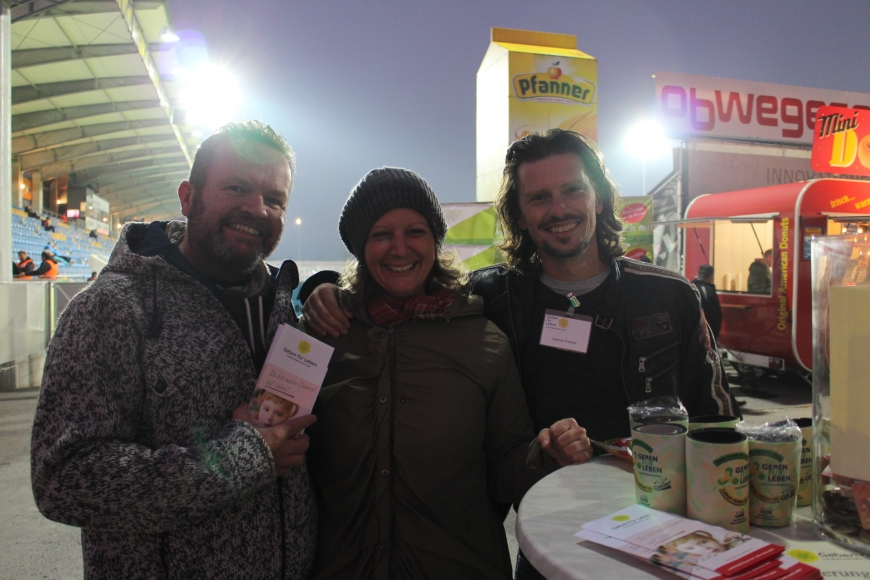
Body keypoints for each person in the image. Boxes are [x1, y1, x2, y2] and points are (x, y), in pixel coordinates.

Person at [302, 130, 737, 578]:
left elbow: (720, 425)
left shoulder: (670, 297)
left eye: (572, 191)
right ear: (520, 215)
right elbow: (406, 287)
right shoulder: (493, 297)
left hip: (660, 540)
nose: (558, 209)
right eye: (539, 198)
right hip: (548, 540)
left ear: (600, 199)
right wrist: (322, 289)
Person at [31, 121, 317, 579]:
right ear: (188, 197)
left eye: (275, 199)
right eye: (237, 187)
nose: (256, 209)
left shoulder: (281, 310)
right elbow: (63, 480)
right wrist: (245, 457)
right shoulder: (111, 309)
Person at [302, 168, 590, 580]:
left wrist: (544, 457)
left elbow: (505, 467)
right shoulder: (321, 334)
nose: (399, 249)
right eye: (381, 234)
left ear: (435, 242)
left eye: (416, 231)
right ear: (360, 248)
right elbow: (278, 439)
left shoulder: (484, 341)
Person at [692, 264, 722, 338]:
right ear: (711, 277)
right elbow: (716, 313)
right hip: (707, 331)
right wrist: (715, 333)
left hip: (692, 330)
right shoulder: (709, 290)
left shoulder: (690, 287)